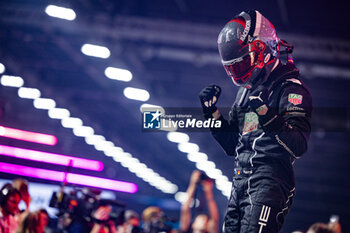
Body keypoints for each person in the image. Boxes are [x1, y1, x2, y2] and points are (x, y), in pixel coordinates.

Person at [199, 10, 312, 233]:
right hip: (239, 181)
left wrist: (265, 112)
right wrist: (210, 112)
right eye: (231, 67)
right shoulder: (247, 92)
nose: (237, 74)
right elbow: (233, 145)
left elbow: (298, 146)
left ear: (262, 49)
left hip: (270, 182)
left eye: (240, 64)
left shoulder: (291, 89)